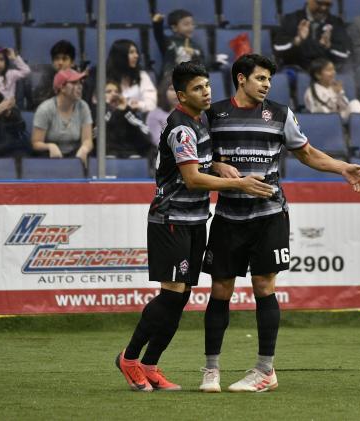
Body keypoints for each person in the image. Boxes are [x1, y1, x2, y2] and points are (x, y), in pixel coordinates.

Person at [198, 54, 360, 393]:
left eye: (269, 80)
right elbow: (200, 158)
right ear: (241, 79)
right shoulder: (213, 114)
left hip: (269, 215)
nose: (266, 84)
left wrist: (341, 167)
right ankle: (211, 370)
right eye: (260, 78)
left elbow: (306, 152)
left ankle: (265, 371)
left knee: (264, 286)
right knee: (221, 290)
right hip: (229, 216)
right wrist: (217, 166)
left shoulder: (279, 114)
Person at [115, 62, 274, 392]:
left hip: (195, 220)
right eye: (199, 88)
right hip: (171, 220)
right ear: (181, 94)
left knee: (182, 295)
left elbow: (199, 164)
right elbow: (191, 178)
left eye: (207, 86)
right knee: (172, 295)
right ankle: (129, 358)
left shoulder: (198, 123)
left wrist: (216, 163)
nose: (207, 92)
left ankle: (150, 365)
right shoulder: (182, 128)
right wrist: (240, 183)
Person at [31, 68, 93, 165]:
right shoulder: (45, 109)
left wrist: (84, 149)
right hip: (49, 159)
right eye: (74, 83)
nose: (79, 86)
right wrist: (50, 146)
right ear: (62, 88)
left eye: (80, 83)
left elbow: (87, 139)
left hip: (75, 156)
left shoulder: (83, 106)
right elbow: (36, 143)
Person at [273, 0, 350, 71]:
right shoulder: (291, 19)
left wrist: (329, 46)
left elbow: (345, 54)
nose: (323, 8)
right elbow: (278, 48)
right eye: (319, 3)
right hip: (296, 71)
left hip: (325, 73)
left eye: (328, 4)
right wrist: (297, 40)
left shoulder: (336, 23)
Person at [85, 39, 156, 113]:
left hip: (135, 120)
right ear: (120, 55)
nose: (136, 56)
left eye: (136, 52)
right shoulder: (103, 76)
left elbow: (152, 104)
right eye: (131, 52)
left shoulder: (142, 76)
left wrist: (139, 105)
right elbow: (95, 102)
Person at [94, 80, 152, 158]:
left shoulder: (128, 113)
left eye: (117, 91)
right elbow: (93, 136)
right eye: (108, 92)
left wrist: (126, 110)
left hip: (130, 155)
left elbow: (147, 135)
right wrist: (110, 110)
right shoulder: (97, 113)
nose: (114, 94)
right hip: (106, 155)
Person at [304, 57, 360, 123]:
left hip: (338, 118)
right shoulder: (311, 92)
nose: (333, 72)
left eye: (333, 69)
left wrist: (340, 93)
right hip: (323, 122)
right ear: (318, 75)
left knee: (355, 103)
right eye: (329, 70)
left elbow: (344, 106)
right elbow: (318, 111)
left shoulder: (334, 87)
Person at [152, 9, 208, 77]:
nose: (191, 27)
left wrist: (194, 55)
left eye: (192, 24)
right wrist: (157, 23)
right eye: (186, 24)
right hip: (171, 80)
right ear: (174, 28)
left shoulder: (196, 46)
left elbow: (204, 65)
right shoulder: (169, 42)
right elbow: (159, 35)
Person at [30, 40, 78, 109]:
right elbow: (38, 101)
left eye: (64, 59)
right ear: (52, 62)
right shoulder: (46, 77)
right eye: (57, 58)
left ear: (72, 63)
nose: (60, 62)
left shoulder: (79, 80)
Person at [146, 73, 179, 148]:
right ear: (164, 92)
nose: (177, 93)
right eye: (172, 89)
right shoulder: (154, 115)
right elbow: (158, 142)